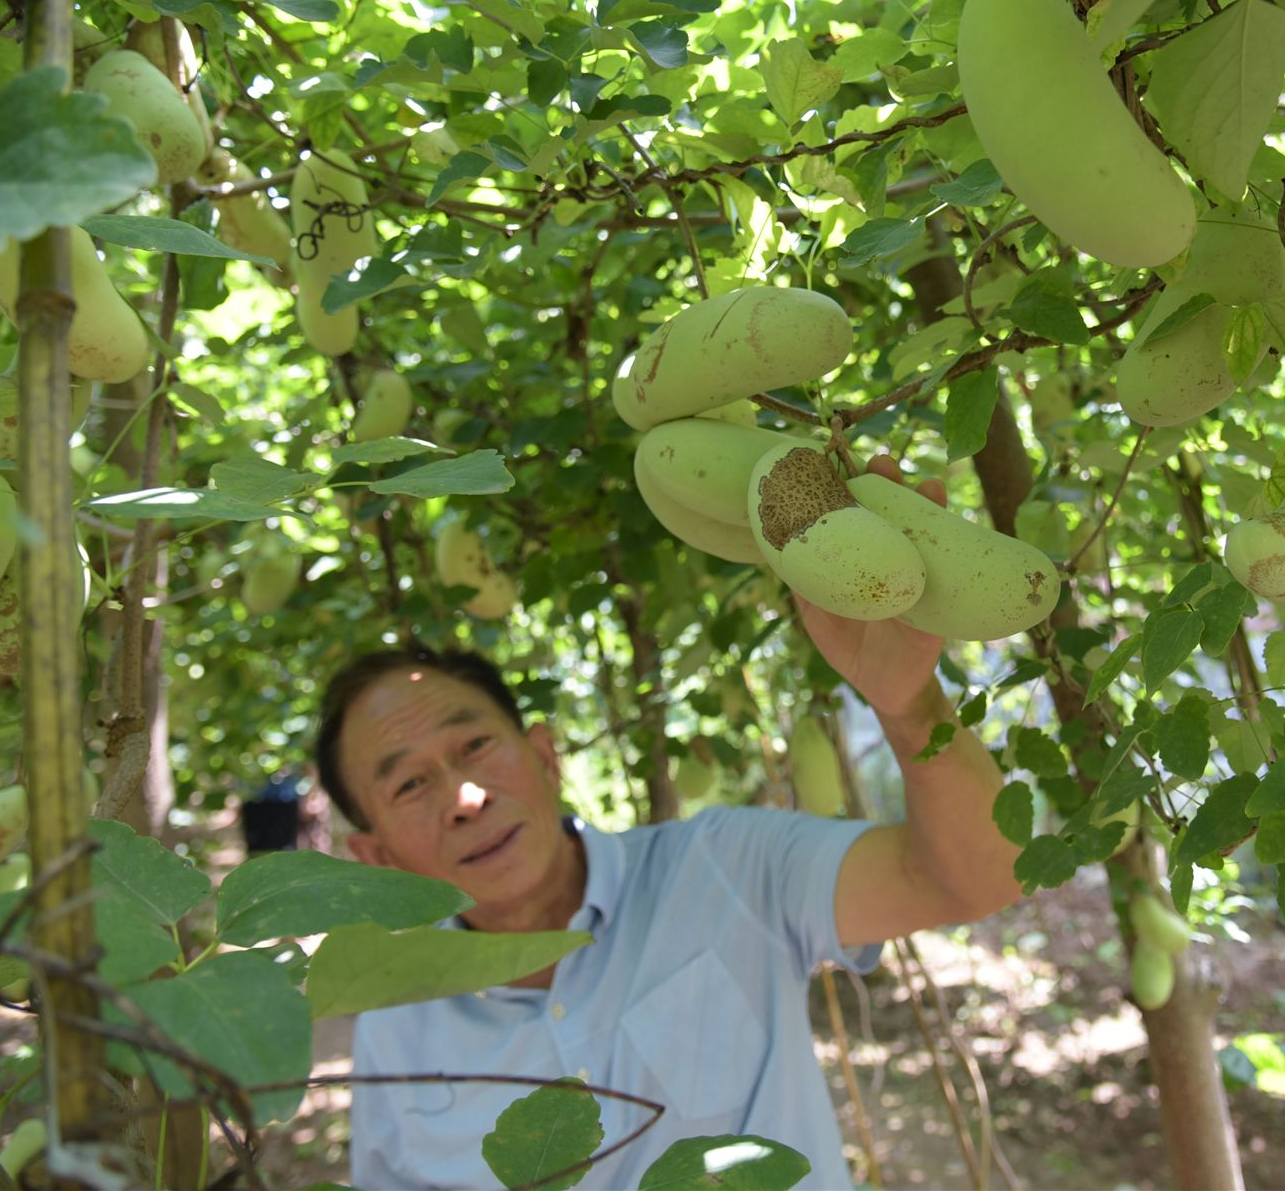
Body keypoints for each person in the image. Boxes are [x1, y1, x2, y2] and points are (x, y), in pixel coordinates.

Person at [320, 459, 1023, 1190]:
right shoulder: (393, 1027)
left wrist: (911, 706)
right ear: (376, 857)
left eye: (474, 746)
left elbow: (974, 878)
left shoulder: (728, 864)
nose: (465, 795)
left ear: (544, 755)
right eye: (409, 784)